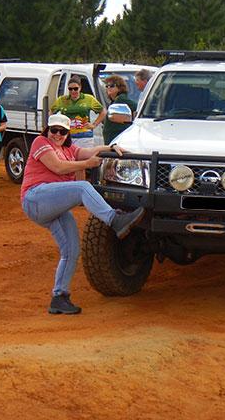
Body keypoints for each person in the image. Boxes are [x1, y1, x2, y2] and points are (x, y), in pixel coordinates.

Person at [21, 113, 146, 315]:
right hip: (35, 198)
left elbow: (90, 151)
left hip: (52, 207)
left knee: (71, 250)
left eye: (62, 131)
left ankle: (59, 297)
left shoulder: (69, 149)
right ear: (47, 130)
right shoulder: (40, 142)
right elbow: (58, 167)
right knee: (82, 187)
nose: (57, 135)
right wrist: (85, 165)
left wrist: (110, 148)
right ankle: (115, 220)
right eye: (54, 130)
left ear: (67, 133)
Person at [50, 76, 106, 149]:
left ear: (80, 87)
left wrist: (94, 125)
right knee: (69, 159)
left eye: (75, 89)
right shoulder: (62, 100)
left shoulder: (89, 98)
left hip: (85, 135)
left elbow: (103, 111)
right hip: (67, 135)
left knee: (84, 158)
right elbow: (51, 112)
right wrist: (55, 126)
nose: (73, 91)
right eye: (70, 89)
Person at [102, 75, 137, 145]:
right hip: (113, 141)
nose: (108, 88)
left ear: (120, 88)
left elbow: (137, 107)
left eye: (112, 86)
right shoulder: (114, 101)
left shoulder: (121, 99)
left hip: (118, 141)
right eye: (107, 86)